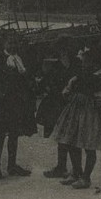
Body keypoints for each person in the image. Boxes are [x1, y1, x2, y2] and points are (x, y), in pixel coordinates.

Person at [50, 50, 101, 189]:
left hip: (90, 114)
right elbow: (67, 92)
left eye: (87, 62)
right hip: (76, 111)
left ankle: (86, 178)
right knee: (72, 142)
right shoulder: (79, 77)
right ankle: (77, 172)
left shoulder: (99, 77)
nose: (84, 65)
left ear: (95, 64)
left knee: (89, 146)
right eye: (83, 62)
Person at [0, 37, 37, 179]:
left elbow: (25, 80)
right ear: (4, 44)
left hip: (17, 102)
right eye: (10, 42)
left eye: (15, 42)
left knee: (14, 134)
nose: (13, 45)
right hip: (2, 103)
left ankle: (12, 166)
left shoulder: (20, 59)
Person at [35, 36, 82, 179]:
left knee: (70, 136)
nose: (63, 52)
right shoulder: (65, 64)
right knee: (64, 136)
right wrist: (44, 76)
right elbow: (44, 85)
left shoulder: (75, 63)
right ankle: (66, 168)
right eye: (61, 49)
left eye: (65, 49)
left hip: (71, 103)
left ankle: (73, 169)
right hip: (60, 103)